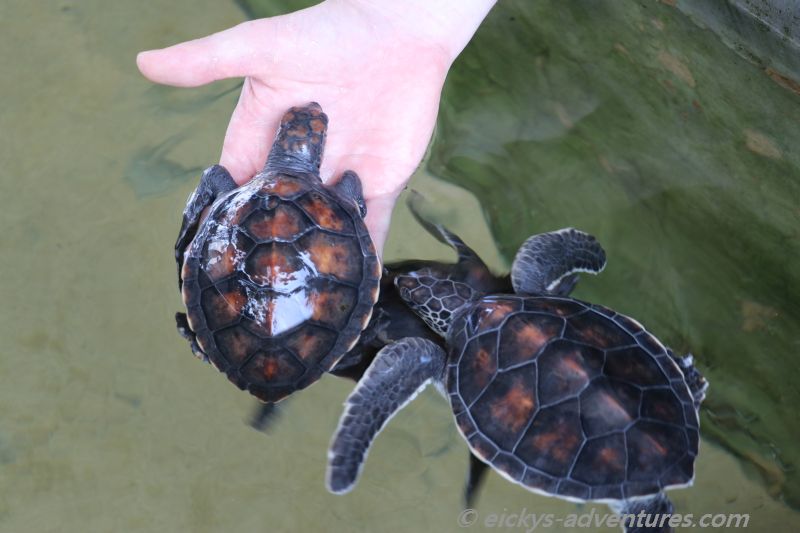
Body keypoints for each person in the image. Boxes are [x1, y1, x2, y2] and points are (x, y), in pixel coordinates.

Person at [137, 0, 496, 253]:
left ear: (279, 137)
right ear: (320, 147)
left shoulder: (342, 189)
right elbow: (352, 188)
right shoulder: (342, 190)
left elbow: (350, 187)